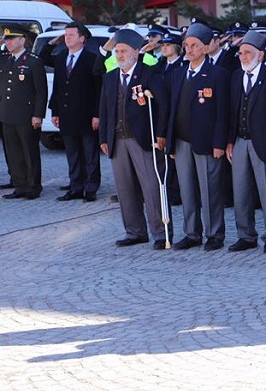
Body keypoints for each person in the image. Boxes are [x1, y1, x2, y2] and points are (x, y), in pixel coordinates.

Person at [98, 28, 171, 249]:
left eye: (123, 51)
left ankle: (160, 232)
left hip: (144, 139)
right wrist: (104, 137)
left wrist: (160, 134)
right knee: (125, 189)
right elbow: (104, 109)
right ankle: (135, 231)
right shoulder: (110, 77)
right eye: (117, 51)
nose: (119, 55)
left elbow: (163, 106)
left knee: (151, 187)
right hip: (117, 140)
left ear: (136, 52)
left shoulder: (149, 74)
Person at [166, 23, 231, 252]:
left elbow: (223, 112)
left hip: (207, 142)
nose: (189, 49)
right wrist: (171, 141)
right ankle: (192, 233)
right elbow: (172, 109)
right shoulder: (178, 74)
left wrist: (219, 143)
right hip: (182, 140)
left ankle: (215, 233)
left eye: (194, 45)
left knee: (210, 189)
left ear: (205, 48)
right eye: (186, 45)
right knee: (187, 189)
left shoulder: (218, 75)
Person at [226, 30, 266, 254]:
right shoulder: (235, 76)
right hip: (239, 140)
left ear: (260, 54)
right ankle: (245, 235)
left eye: (248, 53)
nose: (243, 57)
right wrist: (229, 141)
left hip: (264, 143)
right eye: (240, 53)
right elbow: (231, 110)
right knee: (240, 191)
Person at [49, 23, 102, 202]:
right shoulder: (61, 56)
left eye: (71, 34)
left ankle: (91, 188)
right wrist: (54, 111)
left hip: (87, 115)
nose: (67, 37)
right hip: (67, 115)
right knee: (72, 155)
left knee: (90, 154)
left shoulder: (92, 58)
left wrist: (97, 114)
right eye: (65, 35)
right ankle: (75, 187)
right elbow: (57, 86)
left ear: (82, 38)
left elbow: (98, 89)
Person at [0, 25, 47, 200]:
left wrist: (38, 115)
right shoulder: (4, 59)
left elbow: (41, 91)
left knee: (29, 152)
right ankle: (19, 186)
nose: (8, 42)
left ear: (22, 40)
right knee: (13, 153)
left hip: (27, 115)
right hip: (7, 114)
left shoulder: (33, 61)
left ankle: (33, 187)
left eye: (11, 39)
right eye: (6, 39)